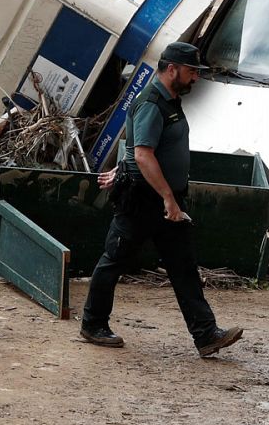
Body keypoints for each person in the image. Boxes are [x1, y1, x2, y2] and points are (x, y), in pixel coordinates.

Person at [79, 42, 244, 358]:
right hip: (144, 200)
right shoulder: (152, 103)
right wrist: (167, 197)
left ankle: (206, 334)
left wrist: (128, 170)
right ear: (172, 69)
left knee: (184, 267)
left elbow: (140, 146)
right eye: (192, 71)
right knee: (114, 260)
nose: (195, 77)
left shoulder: (170, 101)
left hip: (167, 200)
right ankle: (93, 324)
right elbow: (143, 154)